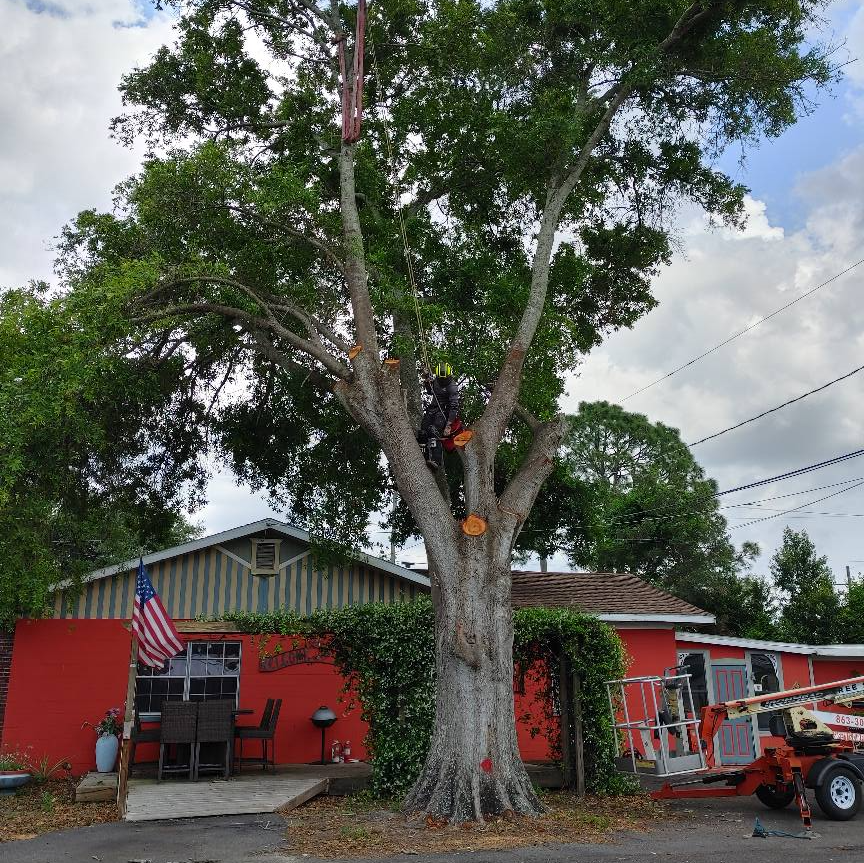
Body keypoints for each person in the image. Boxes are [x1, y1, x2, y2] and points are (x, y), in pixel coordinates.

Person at [417, 363, 460, 469]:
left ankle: (436, 461)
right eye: (440, 378)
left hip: (443, 413)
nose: (442, 380)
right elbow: (430, 392)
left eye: (444, 378)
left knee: (433, 431)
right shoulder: (436, 380)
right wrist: (427, 381)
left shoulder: (452, 387)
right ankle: (424, 457)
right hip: (432, 409)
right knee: (422, 433)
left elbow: (454, 407)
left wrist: (448, 425)